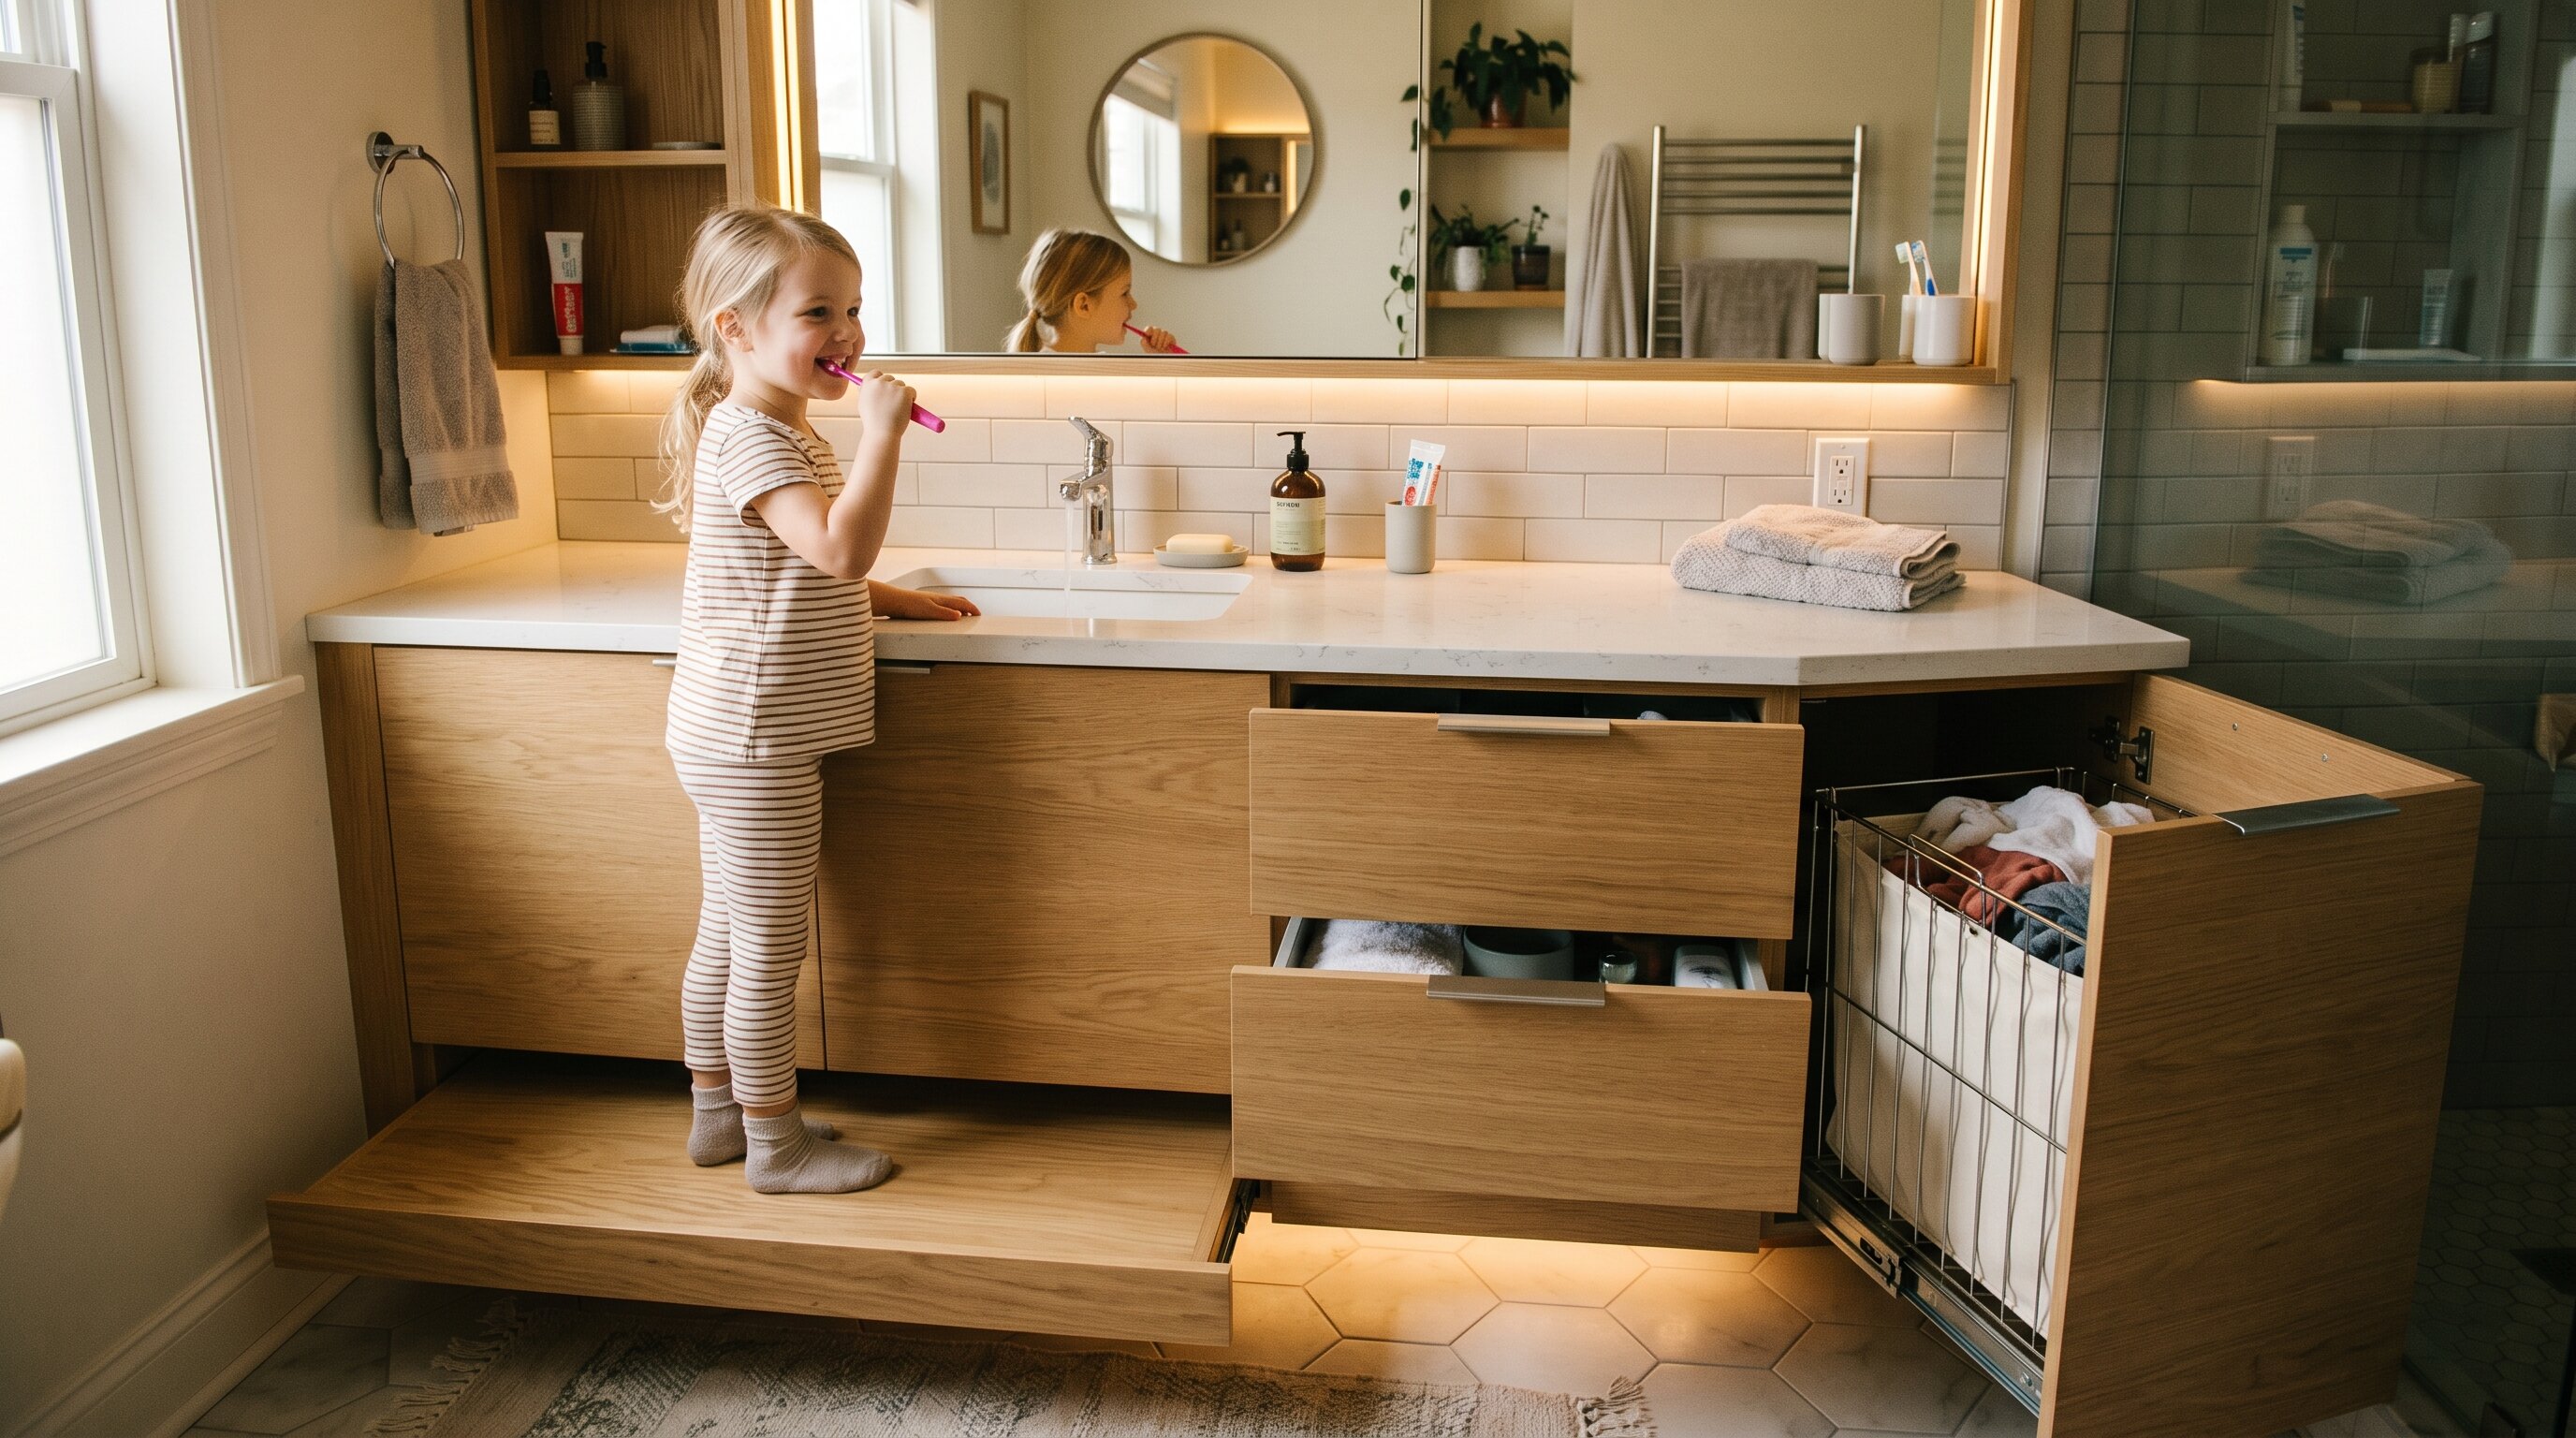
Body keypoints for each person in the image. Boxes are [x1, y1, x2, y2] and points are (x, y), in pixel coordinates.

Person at [652, 203, 978, 1194]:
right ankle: (777, 1145)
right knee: (767, 941)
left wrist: (891, 601)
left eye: (855, 309)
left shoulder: (763, 427)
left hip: (732, 729)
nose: (846, 335)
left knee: (727, 927)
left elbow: (803, 567)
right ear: (735, 328)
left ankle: (719, 1114)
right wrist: (885, 435)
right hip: (759, 739)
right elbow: (837, 544)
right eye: (817, 313)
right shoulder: (757, 437)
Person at [1006, 227, 1181, 353]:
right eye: (1124, 293)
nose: (1133, 304)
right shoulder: (1057, 379)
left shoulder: (1099, 371)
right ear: (1083, 305)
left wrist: (1161, 362)